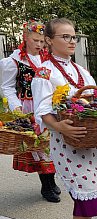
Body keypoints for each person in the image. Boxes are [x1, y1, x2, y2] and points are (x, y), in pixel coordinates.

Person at [32, 18, 97, 219]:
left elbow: (93, 100)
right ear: (49, 40)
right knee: (85, 196)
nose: (71, 41)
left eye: (73, 37)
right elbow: (42, 111)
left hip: (89, 141)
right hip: (67, 143)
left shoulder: (81, 71)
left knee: (96, 193)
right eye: (65, 37)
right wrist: (59, 126)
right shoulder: (44, 73)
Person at [1, 19, 60, 203]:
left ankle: (50, 180)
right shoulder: (13, 61)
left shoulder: (46, 58)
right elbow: (8, 87)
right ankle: (47, 185)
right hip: (28, 107)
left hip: (46, 104)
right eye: (36, 41)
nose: (40, 45)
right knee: (38, 146)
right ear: (26, 37)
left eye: (42, 41)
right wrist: (16, 107)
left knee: (51, 144)